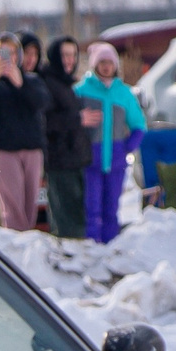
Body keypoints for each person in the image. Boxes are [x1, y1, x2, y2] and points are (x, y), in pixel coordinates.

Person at [0, 31, 49, 232]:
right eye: (3, 52)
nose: (9, 58)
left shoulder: (31, 81)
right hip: (4, 150)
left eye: (13, 53)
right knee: (12, 208)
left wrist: (20, 83)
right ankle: (18, 246)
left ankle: (28, 245)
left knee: (29, 206)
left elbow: (41, 103)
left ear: (19, 55)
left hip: (31, 149)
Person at [74, 43, 145, 244]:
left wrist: (127, 146)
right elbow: (70, 122)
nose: (106, 67)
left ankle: (110, 246)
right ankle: (92, 246)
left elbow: (139, 124)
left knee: (111, 207)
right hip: (90, 159)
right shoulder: (81, 91)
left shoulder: (123, 93)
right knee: (91, 207)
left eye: (110, 63)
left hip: (115, 160)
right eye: (102, 62)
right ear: (95, 65)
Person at [39, 35, 91, 237]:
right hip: (59, 161)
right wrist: (77, 119)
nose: (70, 60)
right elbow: (46, 121)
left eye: (73, 55)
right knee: (67, 222)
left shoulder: (65, 83)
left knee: (77, 215)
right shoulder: (47, 82)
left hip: (74, 159)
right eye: (64, 55)